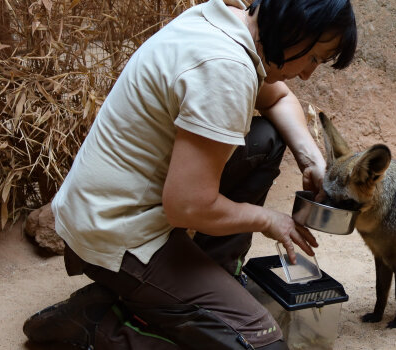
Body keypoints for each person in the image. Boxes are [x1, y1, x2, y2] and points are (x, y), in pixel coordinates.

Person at [21, 0, 357, 349]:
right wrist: (269, 220)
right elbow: (187, 207)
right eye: (315, 57)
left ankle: (208, 283)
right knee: (261, 343)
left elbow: (277, 100)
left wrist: (311, 160)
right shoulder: (226, 69)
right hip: (116, 233)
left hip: (105, 205)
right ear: (293, 27)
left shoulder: (229, 17)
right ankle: (102, 326)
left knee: (266, 140)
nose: (308, 73)